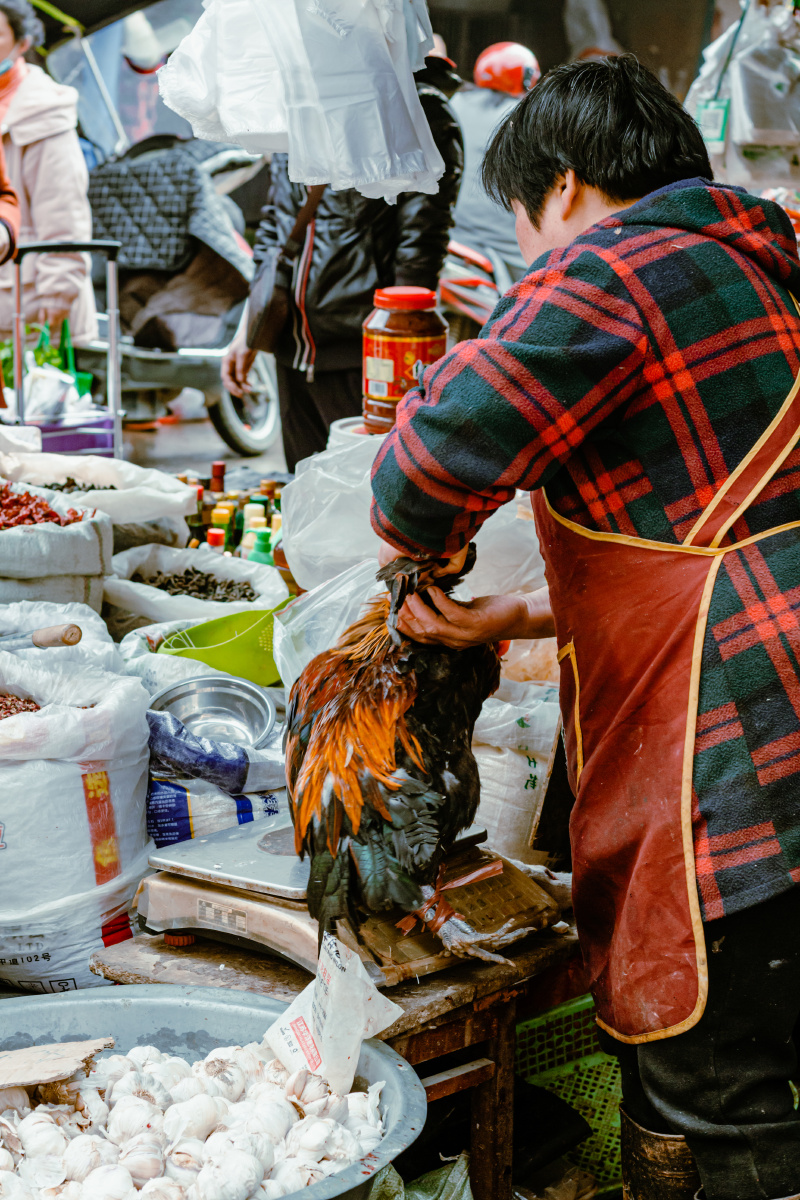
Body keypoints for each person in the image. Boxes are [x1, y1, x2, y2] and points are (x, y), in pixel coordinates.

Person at [371, 53, 800, 1200]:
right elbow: (717, 532)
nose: (524, 257)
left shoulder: (610, 265)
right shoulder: (762, 263)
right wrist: (516, 611)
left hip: (742, 753)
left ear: (559, 186)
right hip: (778, 701)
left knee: (717, 1094)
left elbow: (420, 470)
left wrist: (417, 519)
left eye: (519, 225)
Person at [221, 53, 463, 473]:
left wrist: (397, 350)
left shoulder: (417, 107)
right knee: (303, 492)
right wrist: (249, 327)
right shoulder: (294, 103)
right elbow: (277, 223)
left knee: (362, 494)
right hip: (291, 346)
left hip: (364, 351)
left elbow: (421, 241)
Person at [0, 0, 96, 344]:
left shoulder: (43, 112)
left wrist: (58, 294)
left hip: (31, 308)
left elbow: (63, 210)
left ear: (22, 43)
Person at [450, 42, 540, 282]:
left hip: (452, 242)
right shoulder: (528, 117)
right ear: (528, 78)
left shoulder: (454, 105)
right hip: (507, 256)